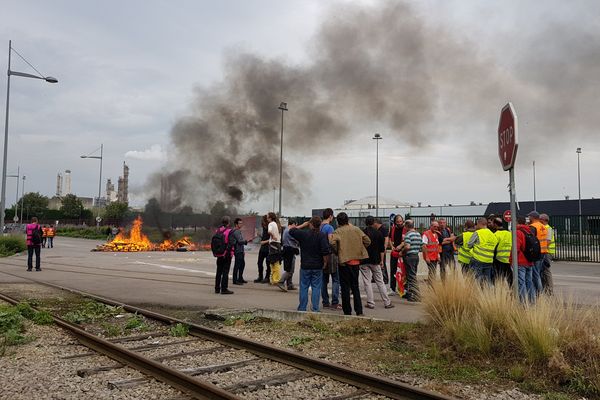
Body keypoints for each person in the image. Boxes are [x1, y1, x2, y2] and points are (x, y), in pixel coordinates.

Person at [330, 212, 370, 316]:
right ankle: (359, 311)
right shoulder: (356, 229)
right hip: (355, 262)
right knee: (355, 287)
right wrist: (360, 248)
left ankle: (347, 311)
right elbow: (367, 241)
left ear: (338, 221)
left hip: (344, 262)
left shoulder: (338, 231)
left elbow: (332, 243)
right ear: (348, 220)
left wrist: (337, 251)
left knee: (345, 288)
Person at [289, 216, 330, 312]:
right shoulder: (322, 235)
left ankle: (302, 308)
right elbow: (325, 251)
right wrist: (325, 262)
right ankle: (315, 308)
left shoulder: (304, 234)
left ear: (310, 224)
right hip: (317, 265)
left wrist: (303, 224)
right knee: (316, 287)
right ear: (319, 225)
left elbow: (291, 230)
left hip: (305, 265)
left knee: (304, 287)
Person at [360, 216, 393, 309]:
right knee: (380, 281)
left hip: (364, 260)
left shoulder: (362, 233)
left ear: (365, 222)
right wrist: (381, 261)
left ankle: (370, 303)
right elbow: (382, 249)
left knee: (367, 282)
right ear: (373, 222)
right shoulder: (378, 233)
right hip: (375, 260)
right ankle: (387, 302)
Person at [467, 217, 499, 284]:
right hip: (489, 260)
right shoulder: (492, 234)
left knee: (477, 280)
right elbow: (495, 244)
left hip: (478, 260)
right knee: (487, 281)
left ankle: (478, 293)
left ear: (479, 223)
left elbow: (469, 245)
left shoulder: (477, 233)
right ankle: (487, 293)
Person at [320, 208, 341, 310]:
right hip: (331, 255)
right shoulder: (329, 228)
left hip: (321, 255)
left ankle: (325, 302)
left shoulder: (319, 227)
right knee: (336, 279)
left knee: (324, 280)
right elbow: (331, 242)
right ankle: (335, 302)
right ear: (330, 216)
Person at [514, 216, 535, 303]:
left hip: (520, 261)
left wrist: (512, 260)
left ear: (517, 222)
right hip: (529, 261)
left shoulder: (518, 232)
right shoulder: (530, 231)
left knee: (521, 283)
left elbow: (516, 248)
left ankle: (522, 302)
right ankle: (532, 301)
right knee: (529, 282)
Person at [528, 211, 548, 296]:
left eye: (529, 217)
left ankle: (539, 293)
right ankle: (539, 292)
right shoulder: (543, 226)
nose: (528, 218)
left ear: (532, 217)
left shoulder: (533, 227)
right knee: (538, 273)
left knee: (535, 274)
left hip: (536, 253)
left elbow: (531, 240)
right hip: (543, 252)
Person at [402, 220, 422, 302]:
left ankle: (416, 295)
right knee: (412, 274)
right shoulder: (418, 234)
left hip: (409, 256)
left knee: (411, 276)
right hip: (416, 256)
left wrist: (402, 252)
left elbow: (407, 247)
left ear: (406, 226)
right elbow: (421, 245)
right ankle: (410, 293)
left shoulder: (408, 234)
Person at [278, 219, 300, 291]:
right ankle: (281, 282)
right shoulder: (289, 231)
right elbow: (297, 239)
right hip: (290, 251)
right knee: (290, 270)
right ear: (293, 224)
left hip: (288, 251)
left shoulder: (286, 230)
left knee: (290, 268)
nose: (296, 227)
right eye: (295, 225)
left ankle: (289, 284)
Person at [214, 216, 234, 295]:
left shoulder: (218, 230)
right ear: (228, 223)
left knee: (218, 271)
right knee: (225, 272)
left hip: (219, 254)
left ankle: (217, 288)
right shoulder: (230, 231)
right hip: (226, 254)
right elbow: (231, 243)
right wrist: (229, 253)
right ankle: (224, 289)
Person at [388, 215, 405, 293]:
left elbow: (407, 239)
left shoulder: (405, 229)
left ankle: (402, 288)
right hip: (394, 252)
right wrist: (391, 246)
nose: (399, 223)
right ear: (395, 222)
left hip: (403, 252)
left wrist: (401, 246)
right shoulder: (393, 229)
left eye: (400, 221)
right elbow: (390, 239)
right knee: (393, 270)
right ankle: (392, 288)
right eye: (397, 222)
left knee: (402, 271)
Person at [492, 218, 512, 285]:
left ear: (495, 224)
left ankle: (500, 292)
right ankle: (512, 292)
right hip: (509, 260)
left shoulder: (496, 234)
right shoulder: (509, 234)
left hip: (499, 260)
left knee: (499, 279)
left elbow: (493, 248)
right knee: (510, 279)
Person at [230, 218, 249, 285]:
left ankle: (240, 278)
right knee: (237, 265)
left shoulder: (237, 230)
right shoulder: (236, 231)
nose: (241, 224)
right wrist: (246, 241)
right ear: (236, 224)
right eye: (240, 223)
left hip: (240, 250)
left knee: (242, 264)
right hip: (238, 250)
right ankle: (235, 280)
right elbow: (240, 241)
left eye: (241, 223)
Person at [540, 213, 554, 295]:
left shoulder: (548, 229)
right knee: (543, 271)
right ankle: (545, 288)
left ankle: (549, 290)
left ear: (544, 220)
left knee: (546, 271)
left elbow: (548, 242)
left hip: (547, 252)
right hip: (545, 251)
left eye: (540, 219)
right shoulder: (544, 228)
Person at [267, 212, 282, 285]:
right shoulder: (276, 224)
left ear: (270, 218)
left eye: (267, 217)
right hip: (278, 244)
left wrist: (272, 236)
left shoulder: (271, 224)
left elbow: (269, 231)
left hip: (273, 244)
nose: (267, 218)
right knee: (275, 262)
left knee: (273, 262)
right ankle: (273, 279)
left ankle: (275, 280)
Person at [373, 218, 389, 285]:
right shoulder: (377, 230)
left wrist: (385, 248)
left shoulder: (383, 229)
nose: (373, 225)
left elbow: (386, 238)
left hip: (381, 250)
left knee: (382, 264)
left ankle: (385, 278)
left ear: (376, 223)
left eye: (374, 223)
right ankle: (375, 278)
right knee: (377, 264)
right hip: (378, 250)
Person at [255, 215, 271, 283]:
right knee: (259, 262)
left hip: (268, 247)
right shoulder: (264, 228)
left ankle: (267, 277)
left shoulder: (270, 228)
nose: (262, 222)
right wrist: (259, 235)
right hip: (263, 247)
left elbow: (272, 238)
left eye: (263, 220)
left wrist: (264, 241)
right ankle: (260, 276)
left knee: (268, 263)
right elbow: (264, 236)